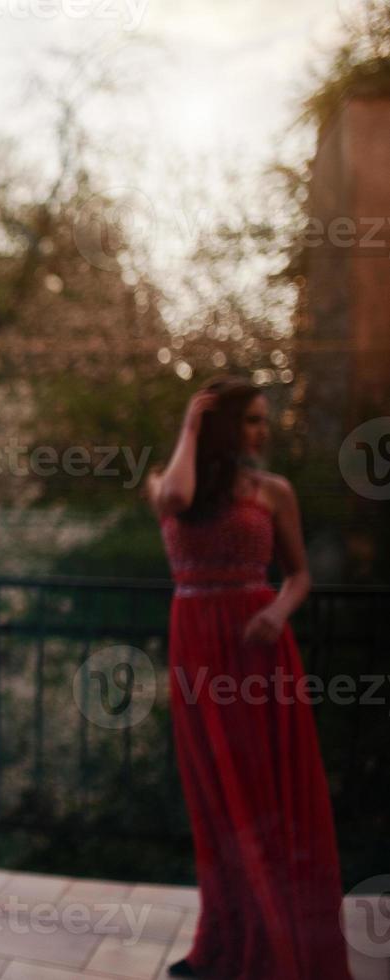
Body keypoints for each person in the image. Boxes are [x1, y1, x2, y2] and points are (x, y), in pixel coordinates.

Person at [144, 376, 351, 979]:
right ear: (221, 427)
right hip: (196, 646)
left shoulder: (274, 491)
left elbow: (300, 576)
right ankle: (222, 941)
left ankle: (279, 944)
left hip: (258, 650)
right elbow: (176, 500)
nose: (263, 431)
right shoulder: (166, 481)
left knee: (266, 795)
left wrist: (277, 611)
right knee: (213, 797)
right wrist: (189, 423)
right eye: (252, 420)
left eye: (265, 420)